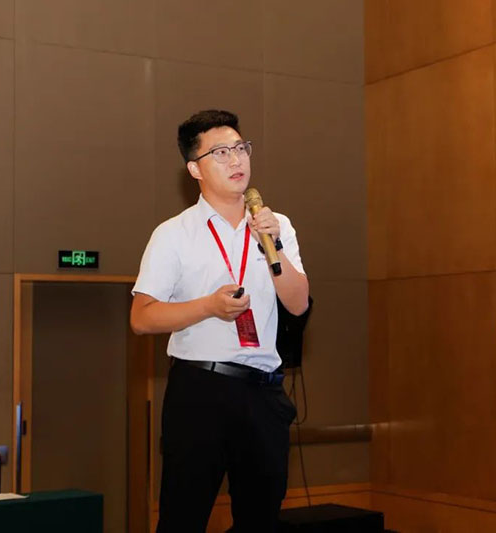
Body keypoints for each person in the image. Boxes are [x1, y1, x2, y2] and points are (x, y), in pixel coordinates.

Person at [130, 109, 309, 532]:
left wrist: (273, 244)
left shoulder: (276, 225)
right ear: (195, 168)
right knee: (183, 518)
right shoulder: (174, 233)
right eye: (221, 153)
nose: (236, 160)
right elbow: (142, 317)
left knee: (261, 520)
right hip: (201, 391)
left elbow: (299, 303)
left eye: (241, 149)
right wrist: (208, 307)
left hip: (264, 392)